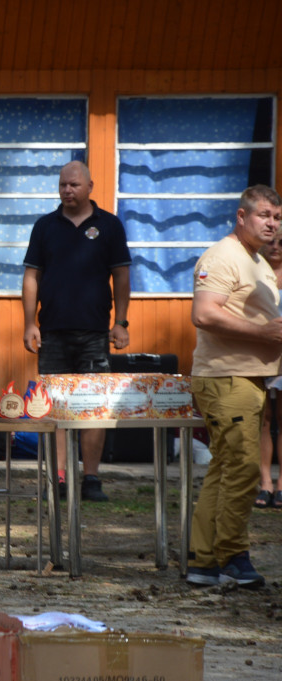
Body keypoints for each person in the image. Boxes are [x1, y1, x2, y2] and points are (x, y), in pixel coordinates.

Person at [185, 185, 282, 589]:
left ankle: (203, 560)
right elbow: (204, 314)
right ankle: (232, 555)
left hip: (246, 378)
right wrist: (263, 333)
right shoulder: (224, 255)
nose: (271, 224)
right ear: (241, 217)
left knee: (225, 468)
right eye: (263, 215)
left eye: (277, 218)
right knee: (242, 467)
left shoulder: (255, 259)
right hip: (226, 378)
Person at [21, 161, 131, 502]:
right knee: (55, 407)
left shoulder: (109, 226)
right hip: (51, 332)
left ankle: (92, 478)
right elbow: (31, 277)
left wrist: (121, 322)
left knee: (93, 407)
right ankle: (60, 478)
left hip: (95, 333)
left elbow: (122, 277)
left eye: (74, 185)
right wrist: (29, 323)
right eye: (62, 185)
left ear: (89, 187)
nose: (67, 190)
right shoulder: (44, 226)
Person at [256, 232, 282, 509]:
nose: (275, 246)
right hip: (259, 354)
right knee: (263, 419)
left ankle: (281, 484)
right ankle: (264, 482)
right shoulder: (255, 272)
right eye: (271, 240)